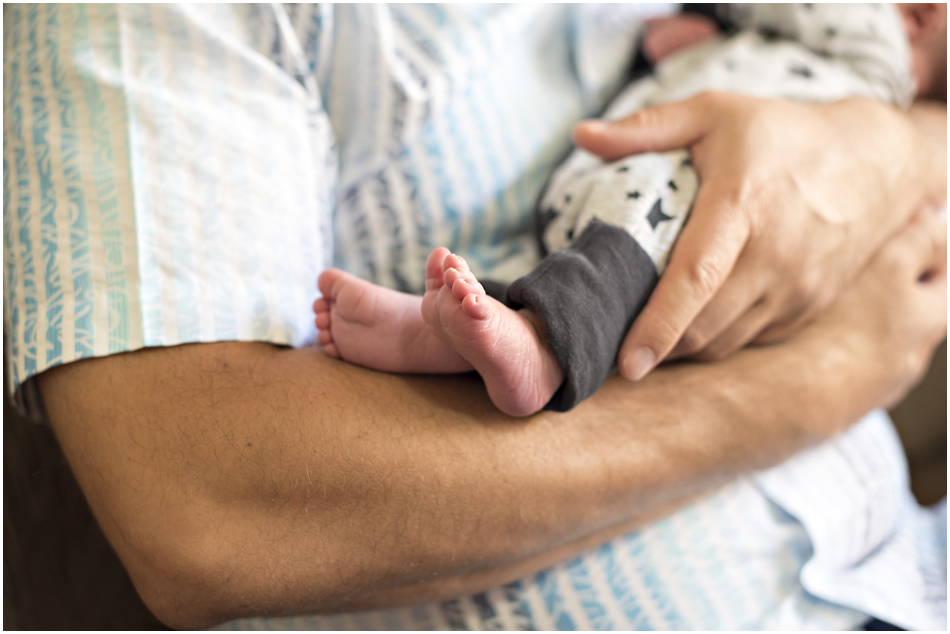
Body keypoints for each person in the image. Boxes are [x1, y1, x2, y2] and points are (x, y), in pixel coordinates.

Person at [4, 4, 946, 629]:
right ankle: (523, 331)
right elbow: (204, 507)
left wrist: (897, 147)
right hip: (635, 240)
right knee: (610, 254)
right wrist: (812, 383)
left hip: (910, 576)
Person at [314, 3, 948, 416]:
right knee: (574, 271)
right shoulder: (826, 71)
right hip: (633, 190)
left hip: (680, 190)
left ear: (918, 16)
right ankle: (456, 335)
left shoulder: (875, 45)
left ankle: (541, 351)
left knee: (605, 267)